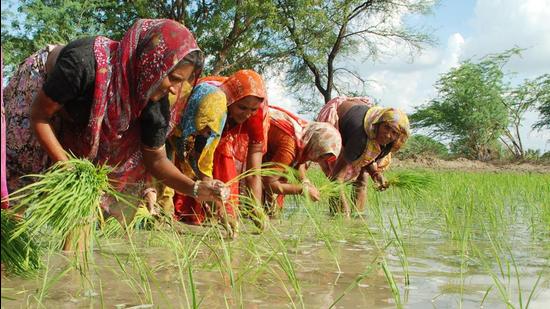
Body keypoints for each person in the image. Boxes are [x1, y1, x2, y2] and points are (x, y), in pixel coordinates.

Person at [3, 19, 226, 217]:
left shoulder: (155, 100)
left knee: (84, 196)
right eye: (174, 79)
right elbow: (39, 116)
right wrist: (69, 167)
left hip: (78, 116)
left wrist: (196, 188)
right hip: (41, 90)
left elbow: (156, 160)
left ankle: (73, 258)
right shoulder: (84, 63)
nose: (176, 91)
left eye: (183, 82)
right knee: (25, 182)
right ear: (151, 63)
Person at [182, 69, 268, 229]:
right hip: (194, 128)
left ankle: (221, 216)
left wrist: (257, 209)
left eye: (253, 109)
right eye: (242, 107)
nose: (248, 114)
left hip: (218, 136)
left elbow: (254, 171)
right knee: (184, 172)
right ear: (231, 100)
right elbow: (197, 153)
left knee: (225, 181)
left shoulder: (254, 114)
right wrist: (220, 209)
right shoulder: (212, 103)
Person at [316, 96, 410, 215]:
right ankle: (337, 216)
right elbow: (336, 178)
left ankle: (357, 216)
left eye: (394, 133)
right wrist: (344, 216)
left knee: (362, 179)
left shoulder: (389, 144)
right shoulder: (359, 137)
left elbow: (368, 159)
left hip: (359, 120)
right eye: (386, 127)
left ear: (398, 136)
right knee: (337, 179)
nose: (387, 135)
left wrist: (376, 174)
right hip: (341, 118)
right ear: (378, 124)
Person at [262, 106, 341, 216]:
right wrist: (302, 190)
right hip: (249, 138)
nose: (318, 161)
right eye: (321, 156)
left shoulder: (305, 136)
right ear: (316, 145)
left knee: (272, 208)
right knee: (256, 199)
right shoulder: (289, 146)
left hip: (268, 149)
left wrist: (305, 181)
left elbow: (300, 162)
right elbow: (269, 182)